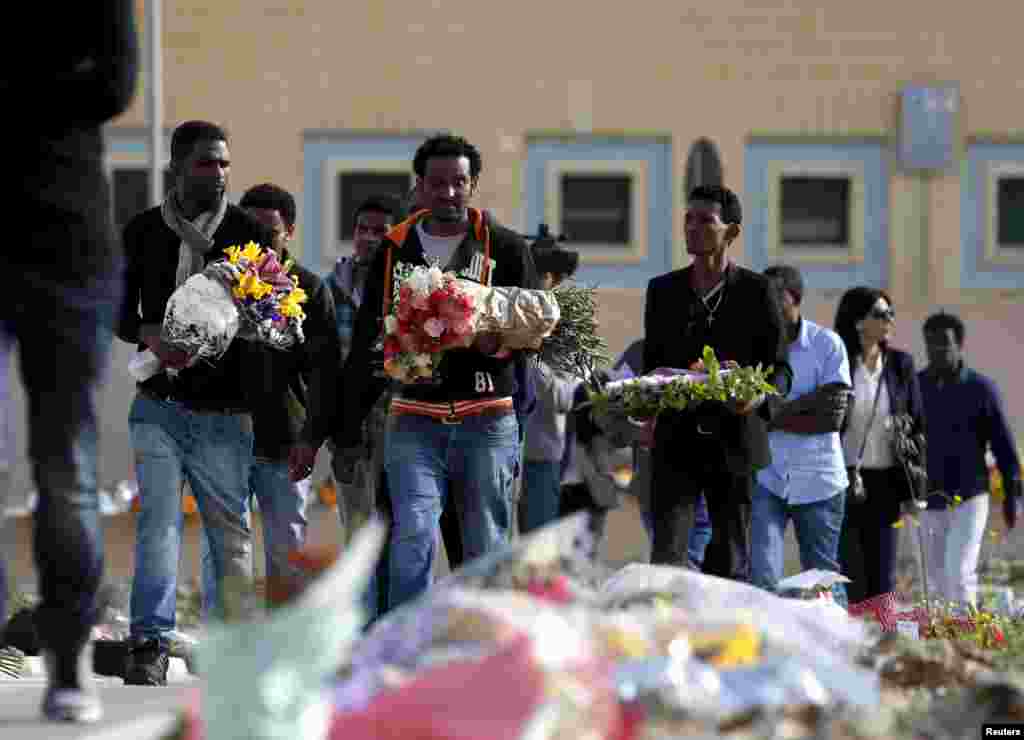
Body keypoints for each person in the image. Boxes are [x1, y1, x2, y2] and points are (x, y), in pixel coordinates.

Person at [333, 133, 539, 610]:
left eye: (459, 182)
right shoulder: (394, 249)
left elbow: (534, 329)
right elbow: (368, 340)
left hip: (487, 419)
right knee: (412, 540)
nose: (449, 193)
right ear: (420, 186)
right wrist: (346, 430)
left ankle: (482, 649)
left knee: (485, 546)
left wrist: (499, 344)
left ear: (474, 184)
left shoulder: (504, 247)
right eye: (438, 183)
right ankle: (410, 653)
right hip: (414, 420)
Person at [2, 0, 137, 721]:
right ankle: (66, 672)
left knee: (66, 467)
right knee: (66, 465)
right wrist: (50, 82)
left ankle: (68, 665)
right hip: (71, 237)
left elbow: (114, 88)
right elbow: (105, 86)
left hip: (68, 248)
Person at [116, 121, 274, 686]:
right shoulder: (140, 231)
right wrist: (153, 335)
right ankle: (149, 645)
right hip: (157, 406)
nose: (219, 173)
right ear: (178, 168)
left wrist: (224, 336)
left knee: (228, 534)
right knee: (157, 524)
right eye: (207, 163)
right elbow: (119, 315)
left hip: (225, 413)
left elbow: (270, 319)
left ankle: (230, 647)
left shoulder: (249, 232)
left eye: (225, 163)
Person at [195, 183, 340, 609]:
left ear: (289, 231)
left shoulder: (310, 290)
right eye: (251, 231)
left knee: (287, 552)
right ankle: (224, 646)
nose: (259, 242)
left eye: (270, 233)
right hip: (223, 439)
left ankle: (285, 648)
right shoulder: (219, 283)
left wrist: (311, 439)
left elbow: (325, 373)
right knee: (223, 552)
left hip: (285, 443)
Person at [641, 185, 791, 582]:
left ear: (732, 232)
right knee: (667, 557)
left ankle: (722, 641)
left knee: (729, 559)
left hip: (735, 442)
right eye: (688, 219)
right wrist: (653, 388)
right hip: (676, 442)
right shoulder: (662, 291)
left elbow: (780, 369)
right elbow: (653, 366)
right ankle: (668, 637)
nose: (692, 228)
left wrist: (756, 396)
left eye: (706, 220)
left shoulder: (759, 291)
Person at [750, 266, 852, 606]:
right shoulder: (753, 349)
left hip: (819, 481)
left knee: (821, 579)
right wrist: (806, 406)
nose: (767, 307)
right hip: (767, 478)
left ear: (795, 300)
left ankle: (839, 650)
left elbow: (832, 416)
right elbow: (746, 414)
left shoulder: (827, 344)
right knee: (762, 578)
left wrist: (773, 412)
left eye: (774, 298)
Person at [324, 194, 402, 622]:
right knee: (356, 529)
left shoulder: (409, 288)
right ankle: (359, 626)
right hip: (349, 428)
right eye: (363, 229)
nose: (369, 239)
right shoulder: (332, 287)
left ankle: (389, 623)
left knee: (395, 529)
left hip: (398, 423)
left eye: (380, 230)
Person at [917, 311, 1021, 606]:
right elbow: (902, 442)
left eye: (944, 344)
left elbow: (1003, 447)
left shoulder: (980, 389)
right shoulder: (916, 388)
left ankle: (967, 638)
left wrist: (1012, 497)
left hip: (970, 497)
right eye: (931, 344)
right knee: (934, 581)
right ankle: (939, 646)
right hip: (928, 499)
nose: (937, 351)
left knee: (959, 574)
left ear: (959, 345)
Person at [834, 287, 925, 603]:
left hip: (887, 482)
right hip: (844, 481)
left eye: (891, 313)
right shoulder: (840, 362)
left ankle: (883, 642)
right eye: (879, 313)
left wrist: (916, 490)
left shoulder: (901, 364)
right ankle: (859, 644)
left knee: (883, 576)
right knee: (852, 575)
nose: (889, 319)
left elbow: (916, 426)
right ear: (859, 322)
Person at [612, 339, 712, 567]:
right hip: (654, 468)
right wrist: (639, 428)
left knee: (697, 545)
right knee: (668, 551)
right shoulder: (640, 351)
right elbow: (612, 398)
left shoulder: (713, 351)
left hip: (703, 467)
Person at [519, 242, 581, 533]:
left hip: (542, 458)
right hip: (505, 454)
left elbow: (564, 397)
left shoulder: (565, 331)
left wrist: (530, 351)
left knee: (537, 550)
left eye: (541, 275)